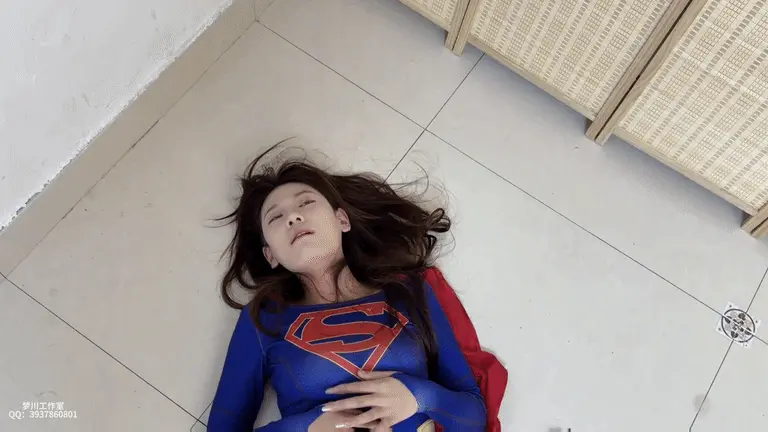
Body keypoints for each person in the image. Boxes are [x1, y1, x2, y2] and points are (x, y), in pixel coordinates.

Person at [208, 143, 487, 431]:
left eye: (305, 203)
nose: (293, 217)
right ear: (271, 256)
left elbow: (474, 416)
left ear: (342, 220)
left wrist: (419, 397)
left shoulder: (409, 292)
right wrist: (306, 428)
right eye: (275, 217)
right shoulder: (262, 320)